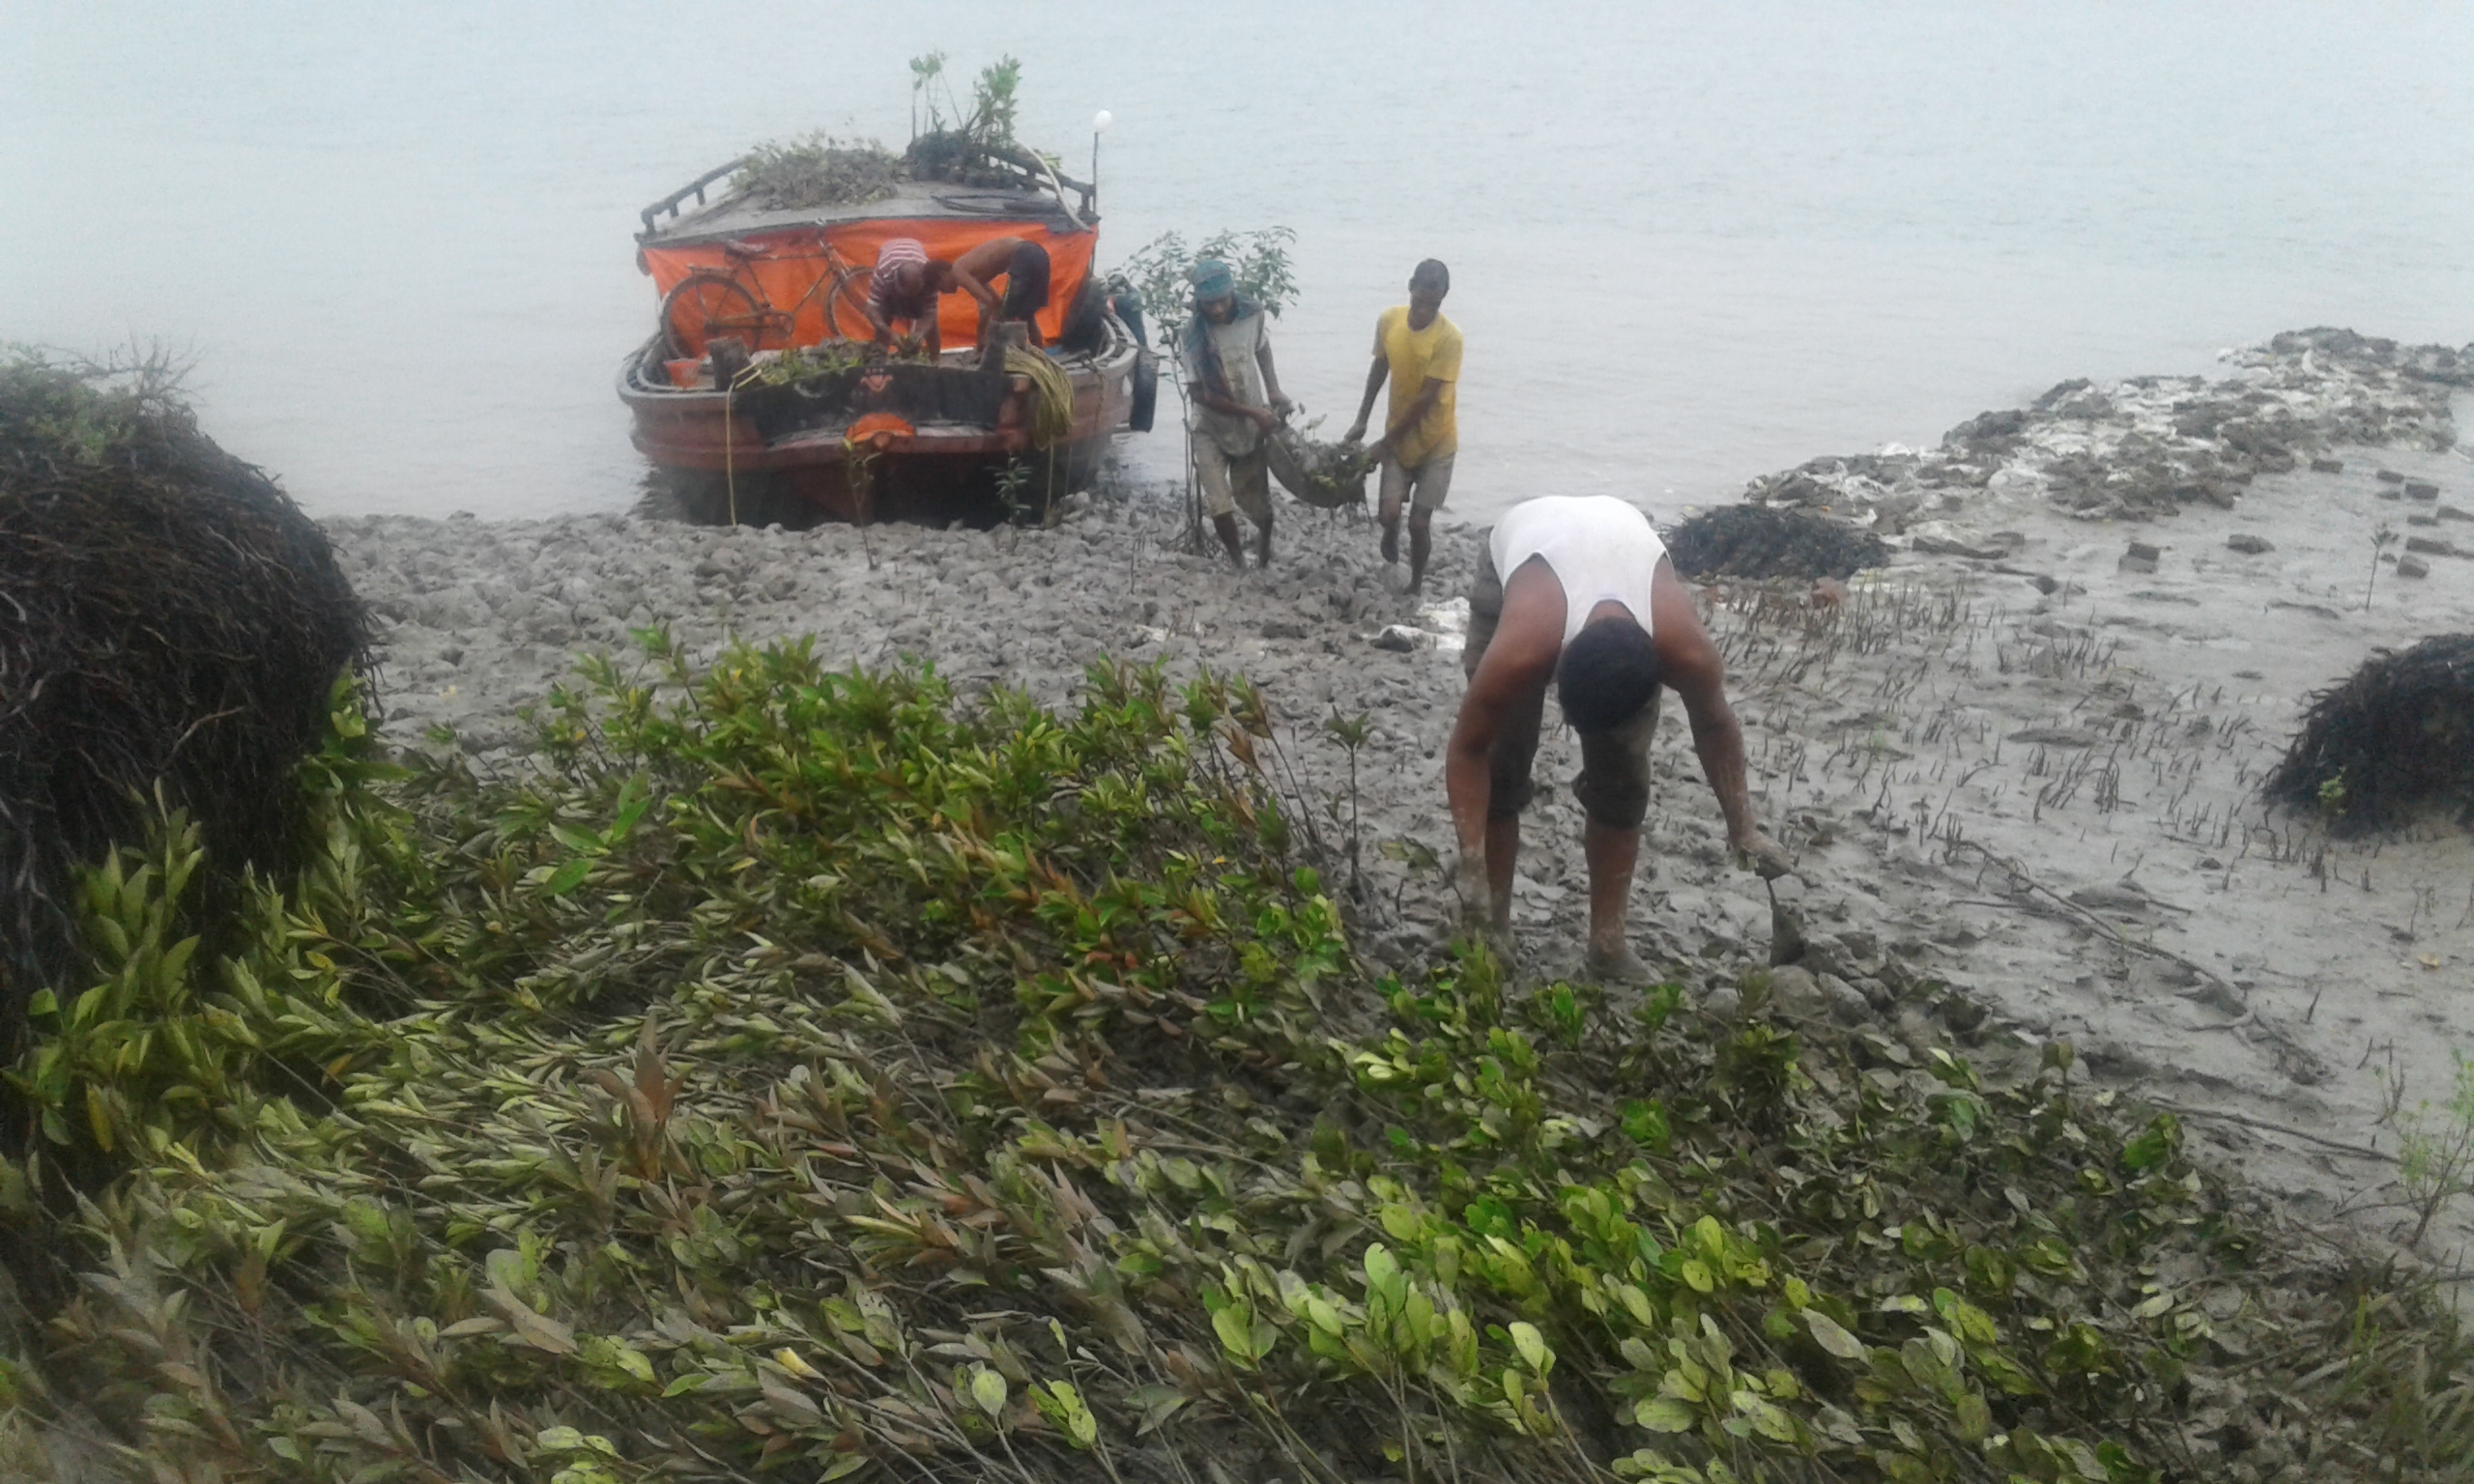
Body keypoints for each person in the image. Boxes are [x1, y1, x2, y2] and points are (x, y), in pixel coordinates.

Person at [1447, 495, 1791, 982]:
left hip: (1617, 540)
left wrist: (1744, 828)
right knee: (1502, 763)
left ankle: (1607, 946)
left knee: (1623, 778)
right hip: (1525, 550)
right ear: (1555, 666)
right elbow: (1469, 749)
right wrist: (1470, 860)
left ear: (1658, 674)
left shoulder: (1685, 649)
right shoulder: (1522, 649)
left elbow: (1715, 724)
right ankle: (1492, 926)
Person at [1346, 259, 1462, 595]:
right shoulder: (1389, 321)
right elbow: (1379, 369)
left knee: (1420, 522)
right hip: (1398, 438)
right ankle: (1390, 530)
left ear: (1444, 297)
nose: (1424, 308)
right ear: (1410, 287)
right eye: (1420, 299)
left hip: (1437, 441)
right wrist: (1362, 419)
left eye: (1433, 303)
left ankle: (1416, 584)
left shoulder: (1450, 338)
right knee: (1388, 514)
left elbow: (1425, 400)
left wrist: (1383, 444)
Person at [1178, 257, 1291, 569]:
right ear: (1198, 302)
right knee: (1219, 502)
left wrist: (1273, 390)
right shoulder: (1191, 336)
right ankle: (1238, 561)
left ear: (1232, 294)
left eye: (1222, 301)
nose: (1216, 309)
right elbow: (1199, 393)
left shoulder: (1252, 315)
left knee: (1256, 503)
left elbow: (1262, 348)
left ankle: (1264, 550)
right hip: (1210, 426)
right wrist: (1252, 412)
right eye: (1209, 304)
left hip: (1250, 425)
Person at [862, 237, 999, 359]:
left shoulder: (929, 276)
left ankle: (935, 360)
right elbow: (871, 310)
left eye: (916, 293)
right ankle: (879, 359)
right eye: (908, 294)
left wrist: (920, 334)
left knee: (931, 325)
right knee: (884, 315)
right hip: (890, 253)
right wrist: (889, 333)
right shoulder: (883, 274)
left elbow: (929, 313)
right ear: (896, 284)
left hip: (914, 252)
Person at [951, 237, 1051, 348]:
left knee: (1004, 316)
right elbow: (994, 303)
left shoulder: (957, 270)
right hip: (1039, 254)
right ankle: (1040, 352)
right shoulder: (974, 272)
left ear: (942, 276)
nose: (944, 292)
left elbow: (988, 303)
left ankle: (1004, 353)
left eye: (940, 288)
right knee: (1027, 315)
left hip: (1022, 254)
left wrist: (980, 338)